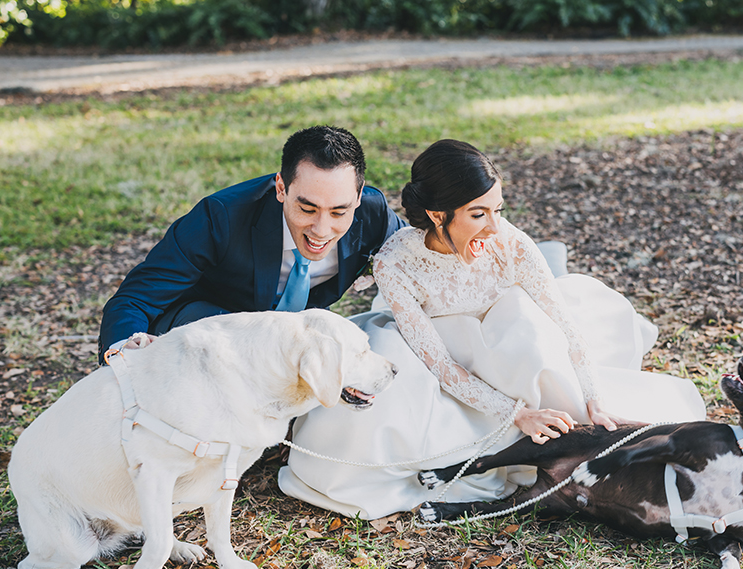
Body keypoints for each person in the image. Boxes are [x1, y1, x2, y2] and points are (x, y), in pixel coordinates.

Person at [278, 139, 707, 520]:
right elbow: (442, 366)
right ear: (437, 214)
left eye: (498, 210)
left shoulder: (511, 244)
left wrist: (594, 402)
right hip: (439, 352)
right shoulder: (395, 262)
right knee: (381, 412)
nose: (494, 226)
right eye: (479, 213)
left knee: (531, 338)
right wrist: (517, 414)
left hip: (512, 335)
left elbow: (565, 326)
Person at [98, 125, 406, 361]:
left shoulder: (372, 212)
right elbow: (135, 299)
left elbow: (420, 255)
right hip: (209, 330)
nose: (321, 229)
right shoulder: (221, 218)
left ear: (358, 194)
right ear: (281, 188)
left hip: (293, 345)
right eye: (307, 209)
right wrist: (124, 357)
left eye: (339, 211)